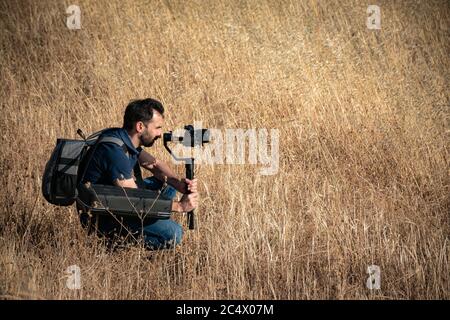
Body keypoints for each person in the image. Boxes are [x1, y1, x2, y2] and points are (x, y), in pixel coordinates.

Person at [79, 98, 198, 249]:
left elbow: (155, 165)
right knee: (175, 234)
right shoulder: (115, 152)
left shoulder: (123, 137)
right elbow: (133, 202)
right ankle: (112, 244)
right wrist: (180, 206)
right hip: (103, 217)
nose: (160, 134)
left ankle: (155, 218)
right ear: (140, 126)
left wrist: (179, 184)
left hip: (116, 198)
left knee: (168, 185)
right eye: (157, 128)